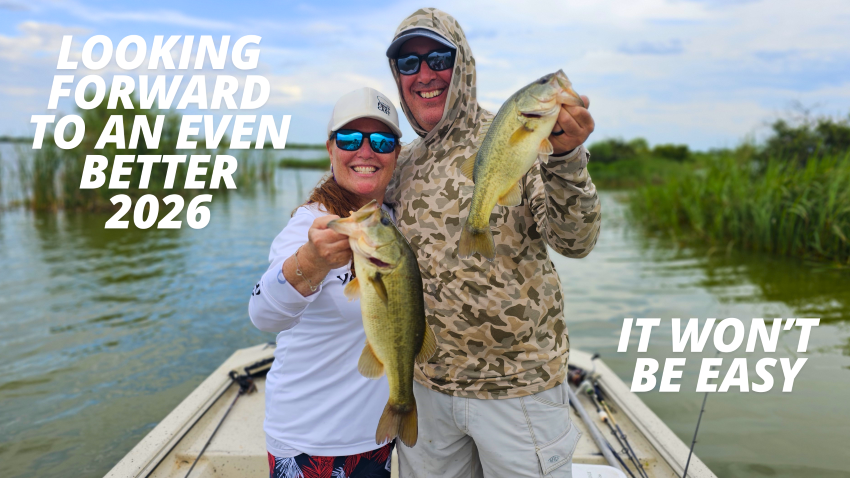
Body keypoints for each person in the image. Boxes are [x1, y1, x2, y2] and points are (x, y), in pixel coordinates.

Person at [383, 9, 602, 478]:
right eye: (408, 64)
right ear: (397, 78)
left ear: (462, 66)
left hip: (518, 390)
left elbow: (576, 241)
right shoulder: (399, 165)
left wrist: (566, 157)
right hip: (428, 391)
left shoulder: (516, 138)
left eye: (438, 57)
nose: (424, 74)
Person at [248, 87, 404, 478]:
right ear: (331, 149)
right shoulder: (308, 225)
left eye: (382, 141)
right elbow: (263, 315)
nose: (366, 151)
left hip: (376, 437)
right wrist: (310, 262)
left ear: (396, 155)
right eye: (351, 139)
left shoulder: (390, 221)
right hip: (308, 441)